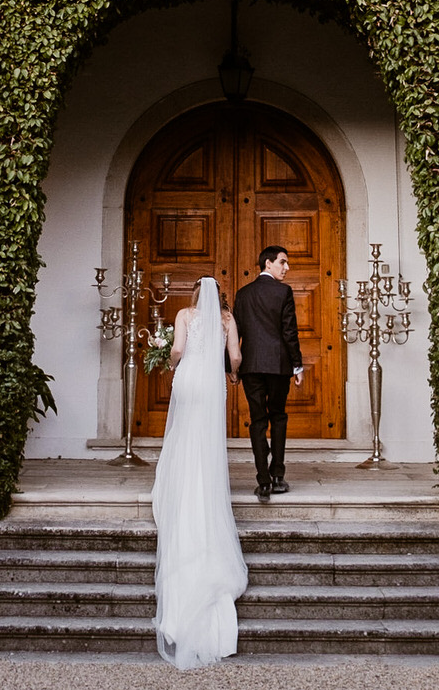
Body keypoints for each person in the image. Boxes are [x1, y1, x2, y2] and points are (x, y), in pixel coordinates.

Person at [150, 276, 247, 668]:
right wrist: (233, 376)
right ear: (220, 297)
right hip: (211, 383)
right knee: (207, 440)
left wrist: (169, 360)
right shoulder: (227, 319)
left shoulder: (185, 314)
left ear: (195, 295)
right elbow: (235, 357)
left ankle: (180, 482)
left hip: (189, 379)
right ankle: (205, 485)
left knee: (183, 435)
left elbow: (176, 350)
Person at [232, 246, 302, 501]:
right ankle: (278, 477)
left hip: (250, 367)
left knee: (258, 421)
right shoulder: (283, 291)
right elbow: (289, 332)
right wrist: (297, 366)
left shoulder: (243, 293)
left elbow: (234, 334)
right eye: (283, 262)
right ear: (268, 263)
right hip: (279, 365)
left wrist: (232, 367)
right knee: (279, 417)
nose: (287, 268)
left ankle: (263, 482)